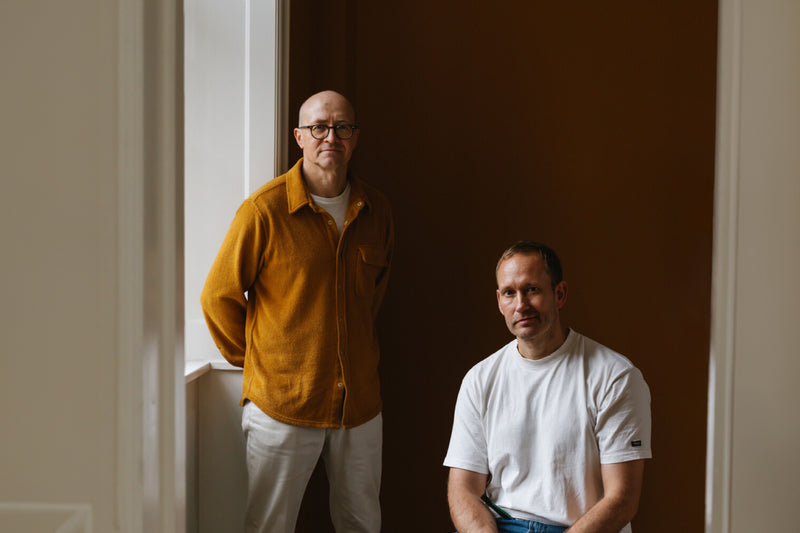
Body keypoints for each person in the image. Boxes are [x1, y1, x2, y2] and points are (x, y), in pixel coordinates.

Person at [201, 90, 393, 533]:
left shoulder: (377, 210)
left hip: (359, 406)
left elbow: (373, 297)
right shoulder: (263, 210)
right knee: (270, 526)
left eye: (342, 127)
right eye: (319, 127)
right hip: (282, 407)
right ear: (299, 137)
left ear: (355, 137)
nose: (331, 137)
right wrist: (261, 364)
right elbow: (217, 296)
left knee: (363, 524)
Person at [444, 241, 651, 533]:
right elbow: (463, 490)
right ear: (499, 301)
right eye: (509, 293)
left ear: (560, 294)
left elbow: (622, 500)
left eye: (532, 290)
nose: (521, 305)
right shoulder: (479, 380)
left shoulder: (615, 376)